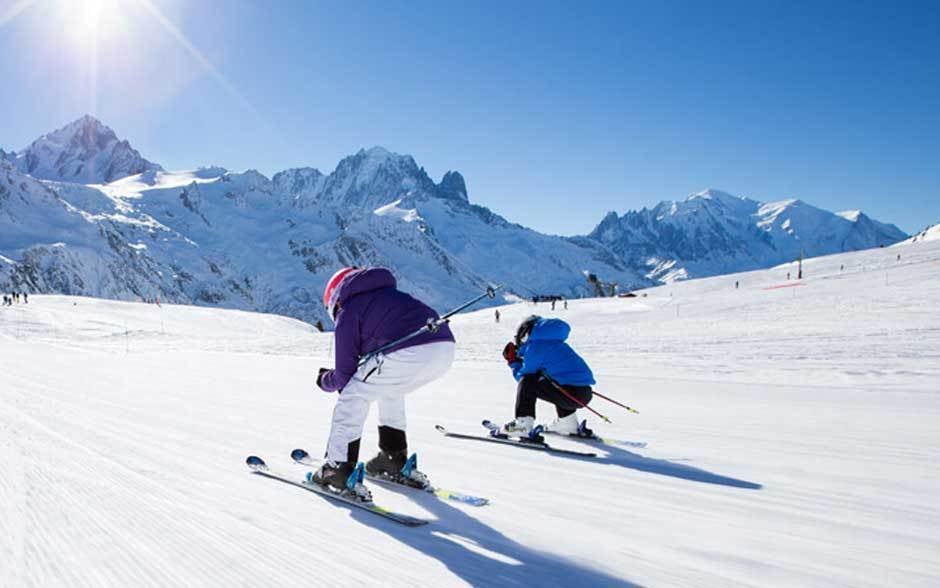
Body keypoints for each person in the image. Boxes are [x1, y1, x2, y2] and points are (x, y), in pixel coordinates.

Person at [312, 266, 456, 501]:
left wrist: (323, 380)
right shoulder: (387, 297)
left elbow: (344, 376)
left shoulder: (350, 308)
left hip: (409, 350)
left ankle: (336, 469)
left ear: (334, 299)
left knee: (353, 395)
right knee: (390, 388)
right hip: (444, 347)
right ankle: (392, 459)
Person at [498, 315, 595, 436]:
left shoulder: (536, 347)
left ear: (525, 332)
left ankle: (522, 425)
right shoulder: (553, 343)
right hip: (584, 393)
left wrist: (513, 363)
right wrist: (521, 355)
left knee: (528, 381)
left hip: (571, 394)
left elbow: (524, 378)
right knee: (554, 381)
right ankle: (568, 423)